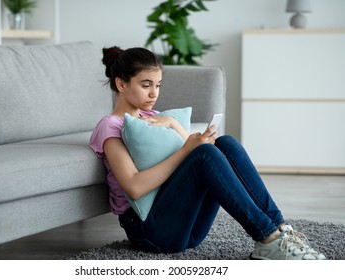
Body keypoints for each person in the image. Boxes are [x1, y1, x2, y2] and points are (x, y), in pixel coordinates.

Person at [89, 46, 326, 260]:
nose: (154, 93)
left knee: (225, 144)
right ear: (121, 84)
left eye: (158, 85)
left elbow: (194, 154)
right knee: (205, 155)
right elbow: (134, 186)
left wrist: (174, 125)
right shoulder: (111, 126)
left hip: (186, 228)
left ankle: (280, 230)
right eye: (146, 85)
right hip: (149, 232)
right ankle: (267, 238)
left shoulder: (154, 118)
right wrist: (188, 148)